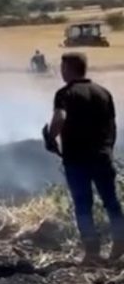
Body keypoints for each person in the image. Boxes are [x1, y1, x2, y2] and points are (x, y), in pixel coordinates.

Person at [43, 52, 124, 264]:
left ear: (69, 69)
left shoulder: (65, 93)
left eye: (63, 68)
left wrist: (51, 138)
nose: (61, 72)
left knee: (83, 204)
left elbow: (59, 117)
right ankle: (120, 240)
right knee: (111, 201)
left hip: (77, 159)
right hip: (102, 155)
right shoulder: (103, 92)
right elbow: (112, 125)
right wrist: (108, 148)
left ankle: (92, 253)